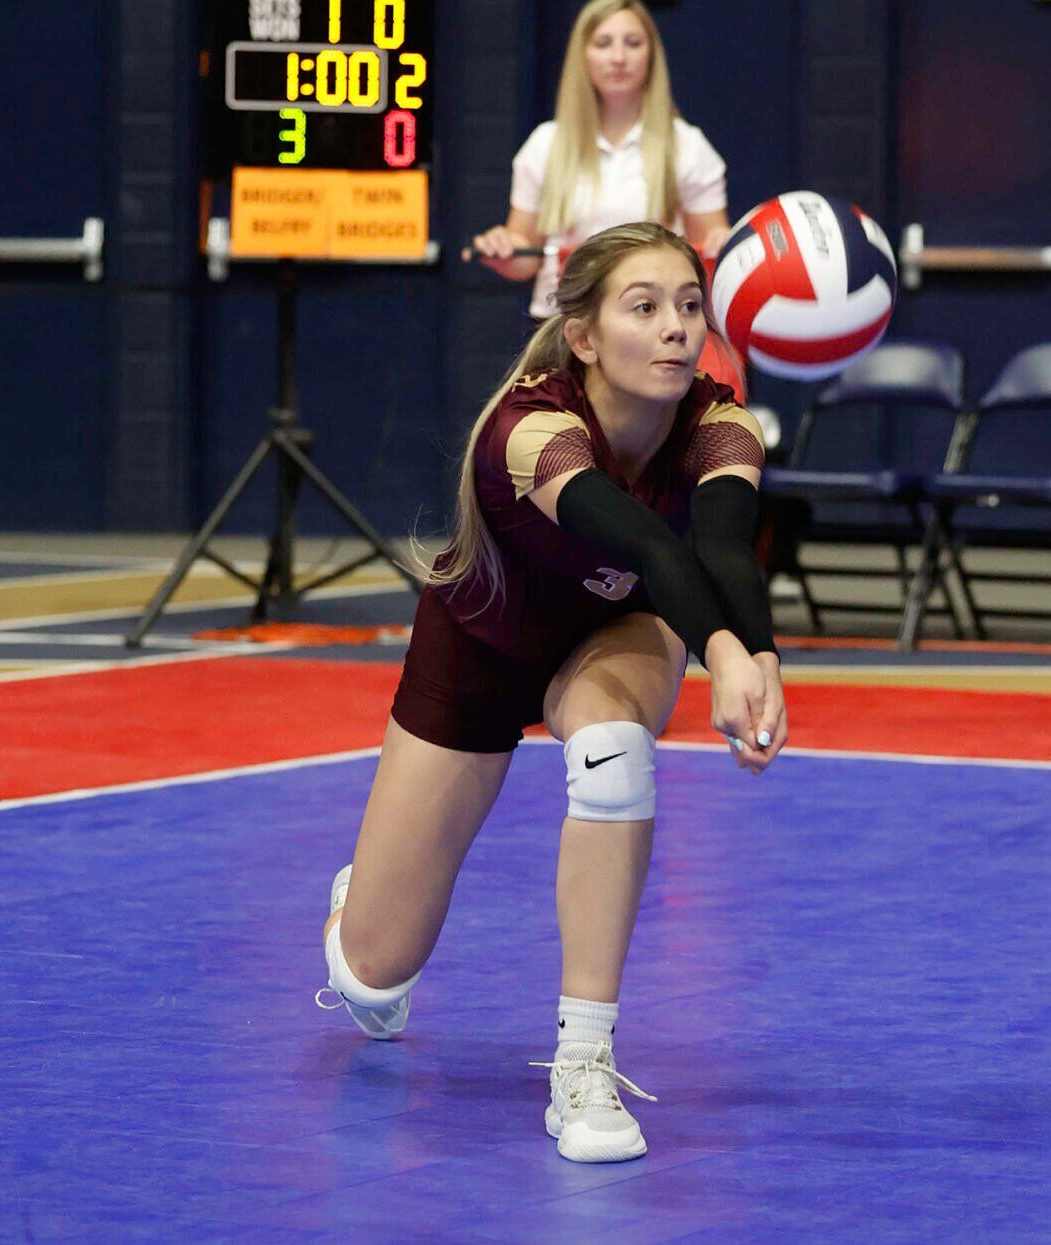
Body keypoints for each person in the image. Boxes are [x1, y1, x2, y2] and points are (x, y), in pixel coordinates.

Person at [317, 223, 784, 1165]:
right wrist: (727, 653)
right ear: (583, 334)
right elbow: (649, 543)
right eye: (644, 308)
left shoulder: (723, 423)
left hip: (615, 635)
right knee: (371, 975)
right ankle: (363, 898)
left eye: (689, 306)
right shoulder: (528, 430)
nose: (675, 330)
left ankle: (583, 1061)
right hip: (482, 643)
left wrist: (757, 653)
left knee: (615, 758)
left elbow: (720, 549)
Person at [470, 0, 732, 321]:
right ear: (583, 56)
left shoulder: (687, 145)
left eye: (633, 43)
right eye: (603, 43)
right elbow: (525, 258)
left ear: (651, 55)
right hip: (563, 324)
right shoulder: (545, 143)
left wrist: (722, 245)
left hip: (653, 327)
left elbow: (709, 253)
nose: (618, 58)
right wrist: (503, 249)